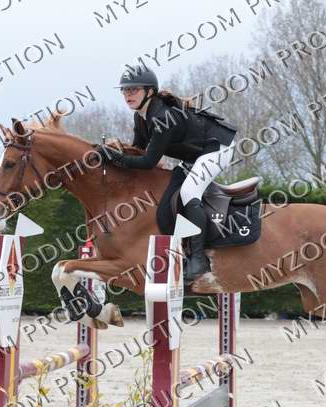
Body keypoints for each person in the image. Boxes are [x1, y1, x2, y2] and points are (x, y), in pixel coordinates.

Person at [95, 66, 238, 283]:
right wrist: (115, 154)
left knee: (189, 192)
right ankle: (182, 249)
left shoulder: (162, 117)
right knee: (170, 193)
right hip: (194, 154)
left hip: (218, 148)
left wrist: (113, 157)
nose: (128, 95)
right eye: (124, 90)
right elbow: (138, 151)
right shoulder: (141, 117)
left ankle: (199, 260)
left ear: (149, 91)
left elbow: (148, 162)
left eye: (133, 90)